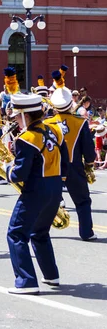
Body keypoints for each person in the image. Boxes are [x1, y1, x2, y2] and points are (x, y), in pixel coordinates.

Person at [3, 94, 69, 294]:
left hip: (36, 189)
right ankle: (51, 275)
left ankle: (26, 281)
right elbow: (64, 160)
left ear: (25, 115)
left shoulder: (26, 138)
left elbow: (19, 174)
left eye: (17, 116)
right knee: (39, 233)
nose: (15, 119)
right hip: (55, 186)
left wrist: (6, 168)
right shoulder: (55, 130)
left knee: (16, 233)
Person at [46, 87, 97, 241]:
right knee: (82, 201)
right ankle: (86, 233)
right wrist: (89, 164)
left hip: (53, 167)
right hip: (74, 167)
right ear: (70, 104)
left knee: (47, 201)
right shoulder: (80, 123)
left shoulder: (47, 123)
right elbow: (88, 149)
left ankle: (40, 231)